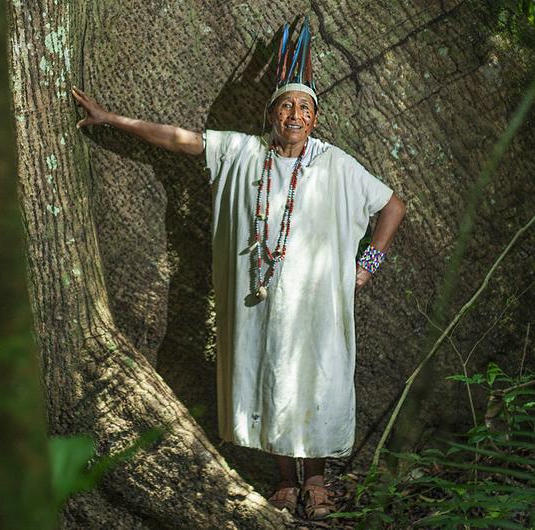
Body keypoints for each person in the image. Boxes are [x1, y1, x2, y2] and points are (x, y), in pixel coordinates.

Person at [71, 18, 405, 521]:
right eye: (287, 106)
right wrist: (114, 120)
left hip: (316, 305)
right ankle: (285, 482)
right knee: (267, 377)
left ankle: (315, 481)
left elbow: (393, 206)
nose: (295, 115)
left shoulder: (335, 164)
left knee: (316, 378)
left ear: (315, 119)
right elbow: (182, 140)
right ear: (271, 113)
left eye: (305, 108)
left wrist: (367, 264)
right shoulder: (245, 151)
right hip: (259, 299)